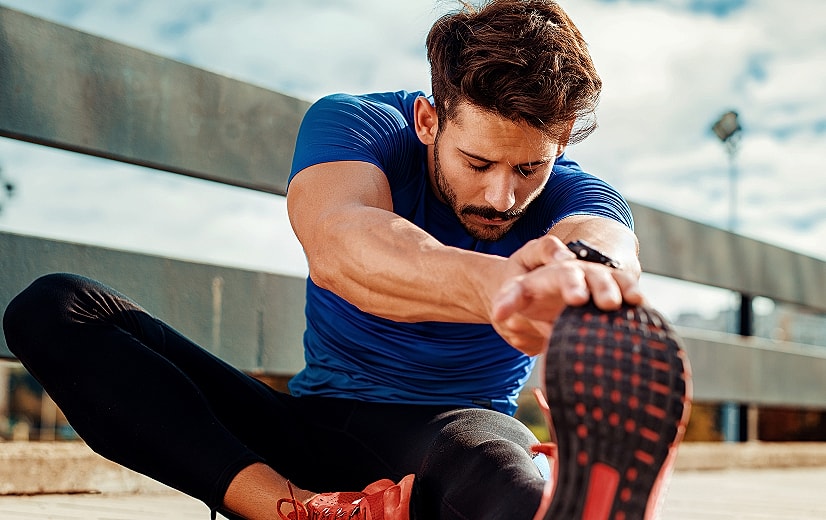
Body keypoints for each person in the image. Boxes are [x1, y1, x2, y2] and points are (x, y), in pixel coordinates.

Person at [2, 1, 691, 519]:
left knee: (509, 485)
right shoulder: (357, 125)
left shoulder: (580, 193)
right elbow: (342, 244)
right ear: (429, 119)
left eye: (529, 168)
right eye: (477, 161)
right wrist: (500, 285)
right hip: (307, 427)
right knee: (56, 309)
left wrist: (590, 280)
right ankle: (295, 509)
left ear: (561, 143)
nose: (501, 194)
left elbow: (604, 248)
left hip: (450, 437)